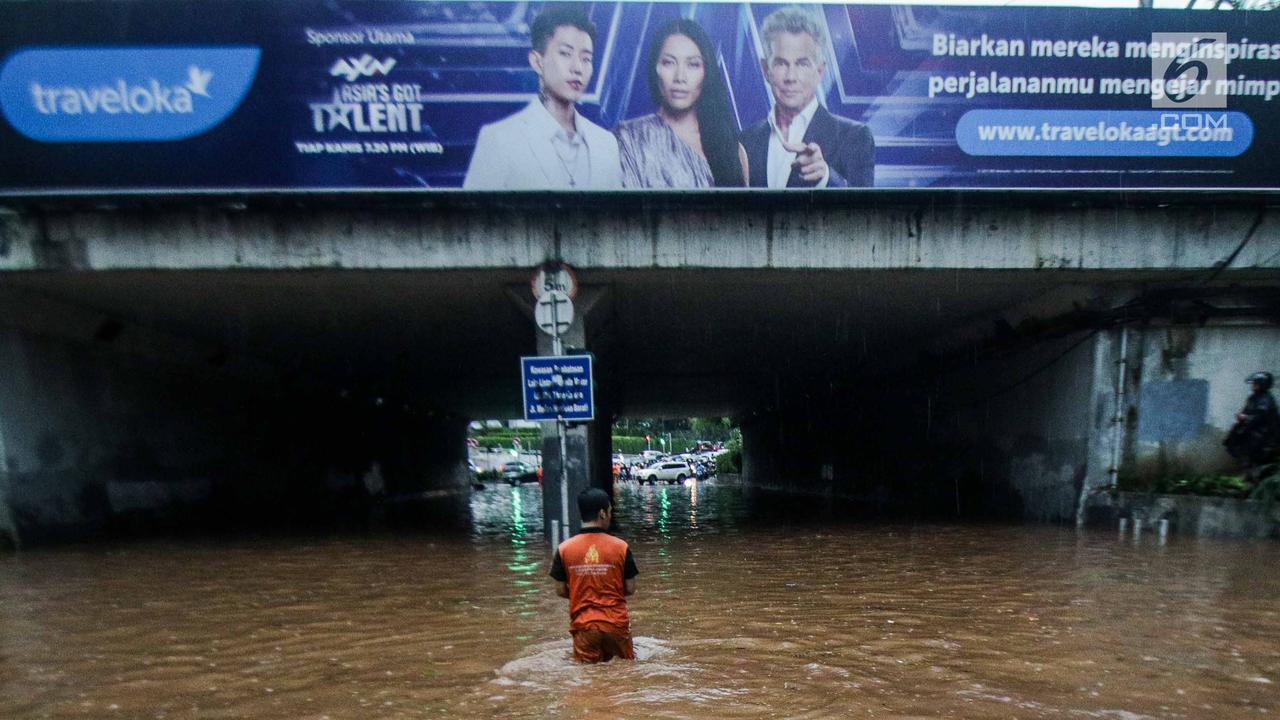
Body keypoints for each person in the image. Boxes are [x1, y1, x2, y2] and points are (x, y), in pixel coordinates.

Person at [463, 5, 621, 189]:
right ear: (537, 62)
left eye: (586, 59)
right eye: (565, 53)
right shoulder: (499, 140)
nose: (577, 68)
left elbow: (616, 217)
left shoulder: (605, 144)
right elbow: (475, 217)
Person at [738, 5, 874, 188]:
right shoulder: (745, 141)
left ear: (820, 71)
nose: (791, 77)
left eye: (802, 64)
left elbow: (866, 211)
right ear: (765, 70)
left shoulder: (855, 136)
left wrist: (825, 177)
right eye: (780, 63)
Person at [613, 18, 745, 188]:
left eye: (693, 65)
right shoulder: (627, 138)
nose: (680, 77)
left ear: (707, 72)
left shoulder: (731, 148)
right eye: (669, 62)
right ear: (655, 68)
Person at [549, 488, 639, 663]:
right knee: (626, 674)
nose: (611, 516)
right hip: (616, 624)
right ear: (602, 513)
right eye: (610, 512)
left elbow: (560, 590)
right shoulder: (621, 547)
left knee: (589, 678)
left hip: (584, 627)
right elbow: (630, 588)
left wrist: (581, 593)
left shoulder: (564, 549)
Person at [1224, 371, 1279, 480]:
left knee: (1252, 450)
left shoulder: (1266, 399)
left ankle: (1254, 474)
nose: (1253, 385)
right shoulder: (1254, 398)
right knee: (1232, 443)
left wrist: (1246, 418)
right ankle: (1248, 470)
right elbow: (1247, 411)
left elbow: (1260, 416)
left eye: (1256, 383)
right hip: (1252, 430)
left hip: (1264, 435)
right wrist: (1241, 418)